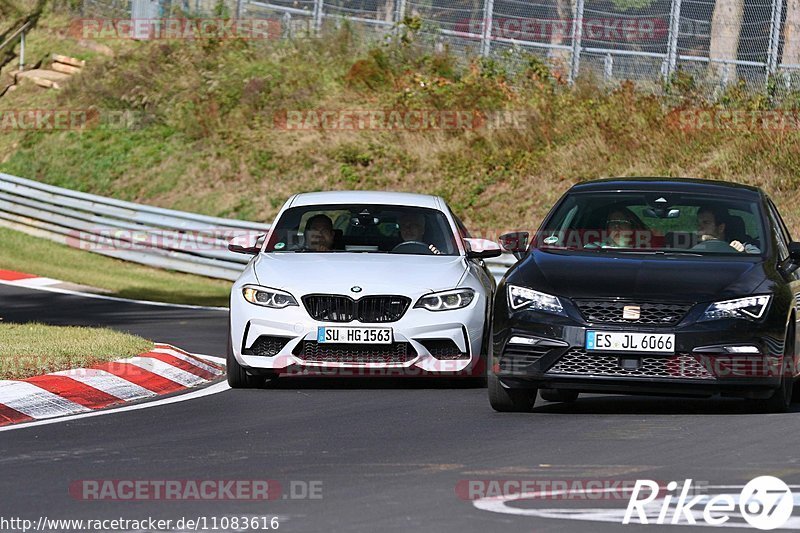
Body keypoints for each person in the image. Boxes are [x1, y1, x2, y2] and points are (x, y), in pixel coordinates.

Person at [695, 206, 760, 253]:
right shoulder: (691, 244)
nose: (699, 227)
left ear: (721, 228)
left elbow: (758, 258)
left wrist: (742, 252)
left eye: (706, 223)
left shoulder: (737, 246)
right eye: (698, 223)